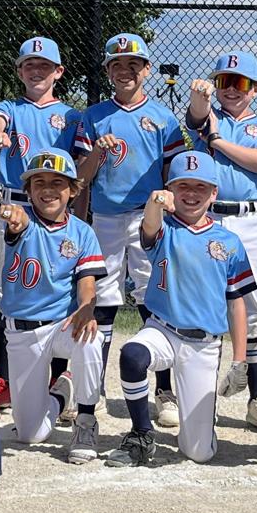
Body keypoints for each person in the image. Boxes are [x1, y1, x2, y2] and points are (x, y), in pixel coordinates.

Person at [105, 150, 255, 467]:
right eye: (182, 185)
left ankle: (199, 425)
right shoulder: (165, 229)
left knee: (199, 452)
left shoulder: (229, 241)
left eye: (201, 186)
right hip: (163, 329)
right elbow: (149, 226)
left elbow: (236, 303)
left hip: (203, 344)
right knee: (132, 355)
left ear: (214, 193)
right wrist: (154, 202)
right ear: (170, 189)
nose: (191, 193)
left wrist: (240, 361)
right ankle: (141, 434)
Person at [74, 33, 186, 424]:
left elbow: (173, 173)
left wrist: (171, 215)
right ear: (108, 70)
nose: (125, 71)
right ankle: (94, 386)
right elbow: (81, 178)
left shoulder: (163, 117)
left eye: (133, 65)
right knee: (102, 299)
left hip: (147, 215)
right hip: (105, 217)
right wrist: (97, 152)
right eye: (117, 65)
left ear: (147, 70)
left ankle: (164, 389)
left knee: (152, 297)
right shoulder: (94, 116)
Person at [185, 52, 257, 438]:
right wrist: (200, 97)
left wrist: (218, 141)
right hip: (209, 219)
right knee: (204, 305)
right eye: (224, 81)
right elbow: (197, 114)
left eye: (240, 82)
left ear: (255, 88)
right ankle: (201, 400)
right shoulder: (208, 116)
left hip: (250, 219)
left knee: (255, 307)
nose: (231, 89)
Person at [0, 37, 82, 417]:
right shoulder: (10, 108)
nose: (36, 71)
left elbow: (81, 165)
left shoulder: (71, 116)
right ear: (19, 71)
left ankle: (58, 379)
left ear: (58, 72)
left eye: (44, 65)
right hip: (16, 203)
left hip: (57, 206)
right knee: (10, 289)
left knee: (58, 287)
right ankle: (6, 381)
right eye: (29, 64)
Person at [0, 149, 107, 464]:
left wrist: (86, 308)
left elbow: (87, 283)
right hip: (22, 332)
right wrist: (13, 217)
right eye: (39, 183)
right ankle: (60, 394)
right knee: (30, 434)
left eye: (57, 182)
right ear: (28, 191)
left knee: (91, 338)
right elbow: (17, 224)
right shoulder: (23, 219)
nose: (48, 190)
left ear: (73, 190)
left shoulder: (82, 232)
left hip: (60, 325)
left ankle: (85, 421)